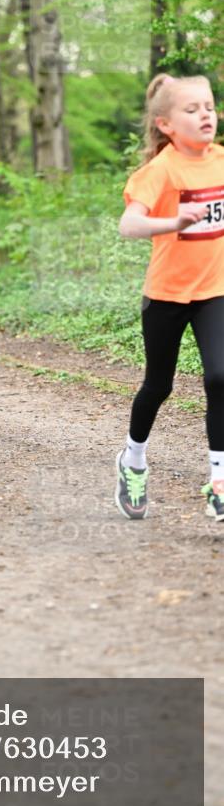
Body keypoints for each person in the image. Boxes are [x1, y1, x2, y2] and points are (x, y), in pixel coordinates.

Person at [115, 73, 224, 523]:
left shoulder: (221, 160)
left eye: (209, 106)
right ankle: (133, 459)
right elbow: (129, 225)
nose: (205, 115)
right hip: (166, 295)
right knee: (158, 386)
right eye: (192, 109)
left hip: (215, 291)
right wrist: (173, 221)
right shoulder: (159, 171)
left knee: (221, 377)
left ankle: (219, 480)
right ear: (165, 124)